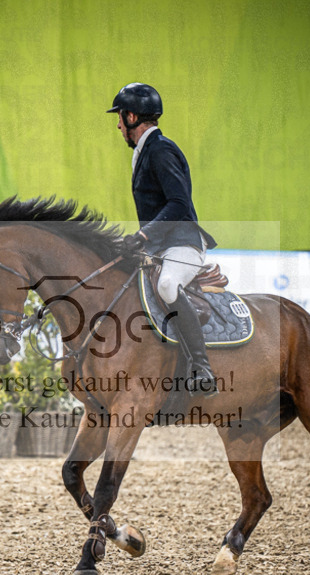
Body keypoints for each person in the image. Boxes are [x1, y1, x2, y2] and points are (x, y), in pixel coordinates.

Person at [108, 82, 217, 397]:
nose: (117, 125)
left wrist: (143, 234)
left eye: (120, 117)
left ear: (131, 117)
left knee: (168, 285)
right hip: (159, 245)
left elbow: (179, 203)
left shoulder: (161, 149)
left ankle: (201, 366)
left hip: (184, 243)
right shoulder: (144, 153)